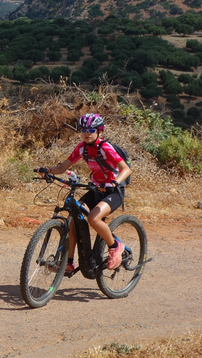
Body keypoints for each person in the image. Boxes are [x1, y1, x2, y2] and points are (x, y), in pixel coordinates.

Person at [36, 113, 132, 273]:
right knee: (73, 219)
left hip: (113, 191)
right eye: (84, 129)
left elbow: (126, 169)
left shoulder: (105, 148)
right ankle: (68, 263)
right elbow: (62, 168)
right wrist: (48, 170)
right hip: (95, 189)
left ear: (99, 132)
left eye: (91, 130)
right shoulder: (82, 147)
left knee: (94, 218)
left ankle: (115, 246)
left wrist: (114, 182)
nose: (87, 133)